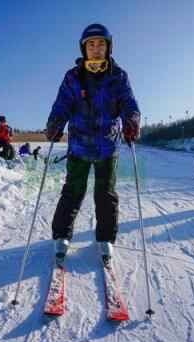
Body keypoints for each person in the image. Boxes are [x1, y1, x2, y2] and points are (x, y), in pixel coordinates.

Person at [46, 23, 140, 266]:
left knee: (105, 194)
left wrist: (131, 120)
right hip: (78, 145)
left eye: (100, 43)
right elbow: (62, 104)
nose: (96, 48)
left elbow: (129, 103)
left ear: (108, 47)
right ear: (84, 48)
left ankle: (105, 239)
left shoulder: (118, 76)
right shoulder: (73, 77)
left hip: (107, 147)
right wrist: (56, 122)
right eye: (91, 44)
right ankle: (61, 236)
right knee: (73, 191)